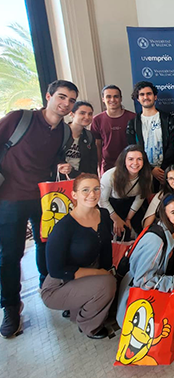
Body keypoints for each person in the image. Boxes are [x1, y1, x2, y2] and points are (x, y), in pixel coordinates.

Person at [0, 79, 77, 338]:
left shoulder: (63, 132)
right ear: (49, 95)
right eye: (62, 97)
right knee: (10, 255)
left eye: (71, 100)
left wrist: (60, 165)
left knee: (47, 243)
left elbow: (55, 156)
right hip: (10, 197)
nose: (66, 104)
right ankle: (11, 306)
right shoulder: (19, 119)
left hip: (44, 197)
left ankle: (50, 288)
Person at [40, 173, 116, 339]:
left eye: (96, 189)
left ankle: (78, 304)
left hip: (85, 272)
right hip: (57, 285)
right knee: (107, 284)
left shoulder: (102, 214)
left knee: (111, 281)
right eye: (85, 190)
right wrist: (100, 274)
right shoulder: (63, 228)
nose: (92, 194)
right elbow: (56, 270)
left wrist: (106, 268)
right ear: (74, 195)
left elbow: (105, 247)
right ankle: (87, 324)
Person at [116, 194, 174, 325]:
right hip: (135, 300)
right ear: (164, 214)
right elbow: (142, 281)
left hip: (157, 277)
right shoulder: (155, 240)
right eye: (173, 212)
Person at [126, 81, 174, 189]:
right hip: (143, 172)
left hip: (167, 171)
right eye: (142, 94)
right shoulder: (133, 124)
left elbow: (173, 145)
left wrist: (162, 169)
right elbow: (132, 149)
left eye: (149, 94)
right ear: (138, 98)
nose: (146, 97)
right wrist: (151, 169)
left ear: (155, 97)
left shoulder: (168, 119)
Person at [99, 145, 152, 237]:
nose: (135, 163)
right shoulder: (109, 176)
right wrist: (116, 219)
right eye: (131, 159)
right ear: (124, 161)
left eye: (139, 159)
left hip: (132, 206)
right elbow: (102, 201)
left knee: (142, 230)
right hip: (111, 206)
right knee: (120, 232)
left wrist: (128, 219)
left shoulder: (147, 176)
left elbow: (140, 198)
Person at [91, 85, 136, 175]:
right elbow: (97, 146)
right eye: (108, 96)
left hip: (130, 165)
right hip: (108, 166)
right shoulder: (97, 120)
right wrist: (98, 169)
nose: (112, 100)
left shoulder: (133, 117)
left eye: (116, 96)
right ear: (103, 99)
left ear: (121, 99)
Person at [61, 101, 98, 179]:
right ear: (72, 114)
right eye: (82, 113)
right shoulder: (61, 133)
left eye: (90, 114)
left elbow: (92, 163)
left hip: (81, 180)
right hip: (61, 180)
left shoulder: (89, 136)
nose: (87, 117)